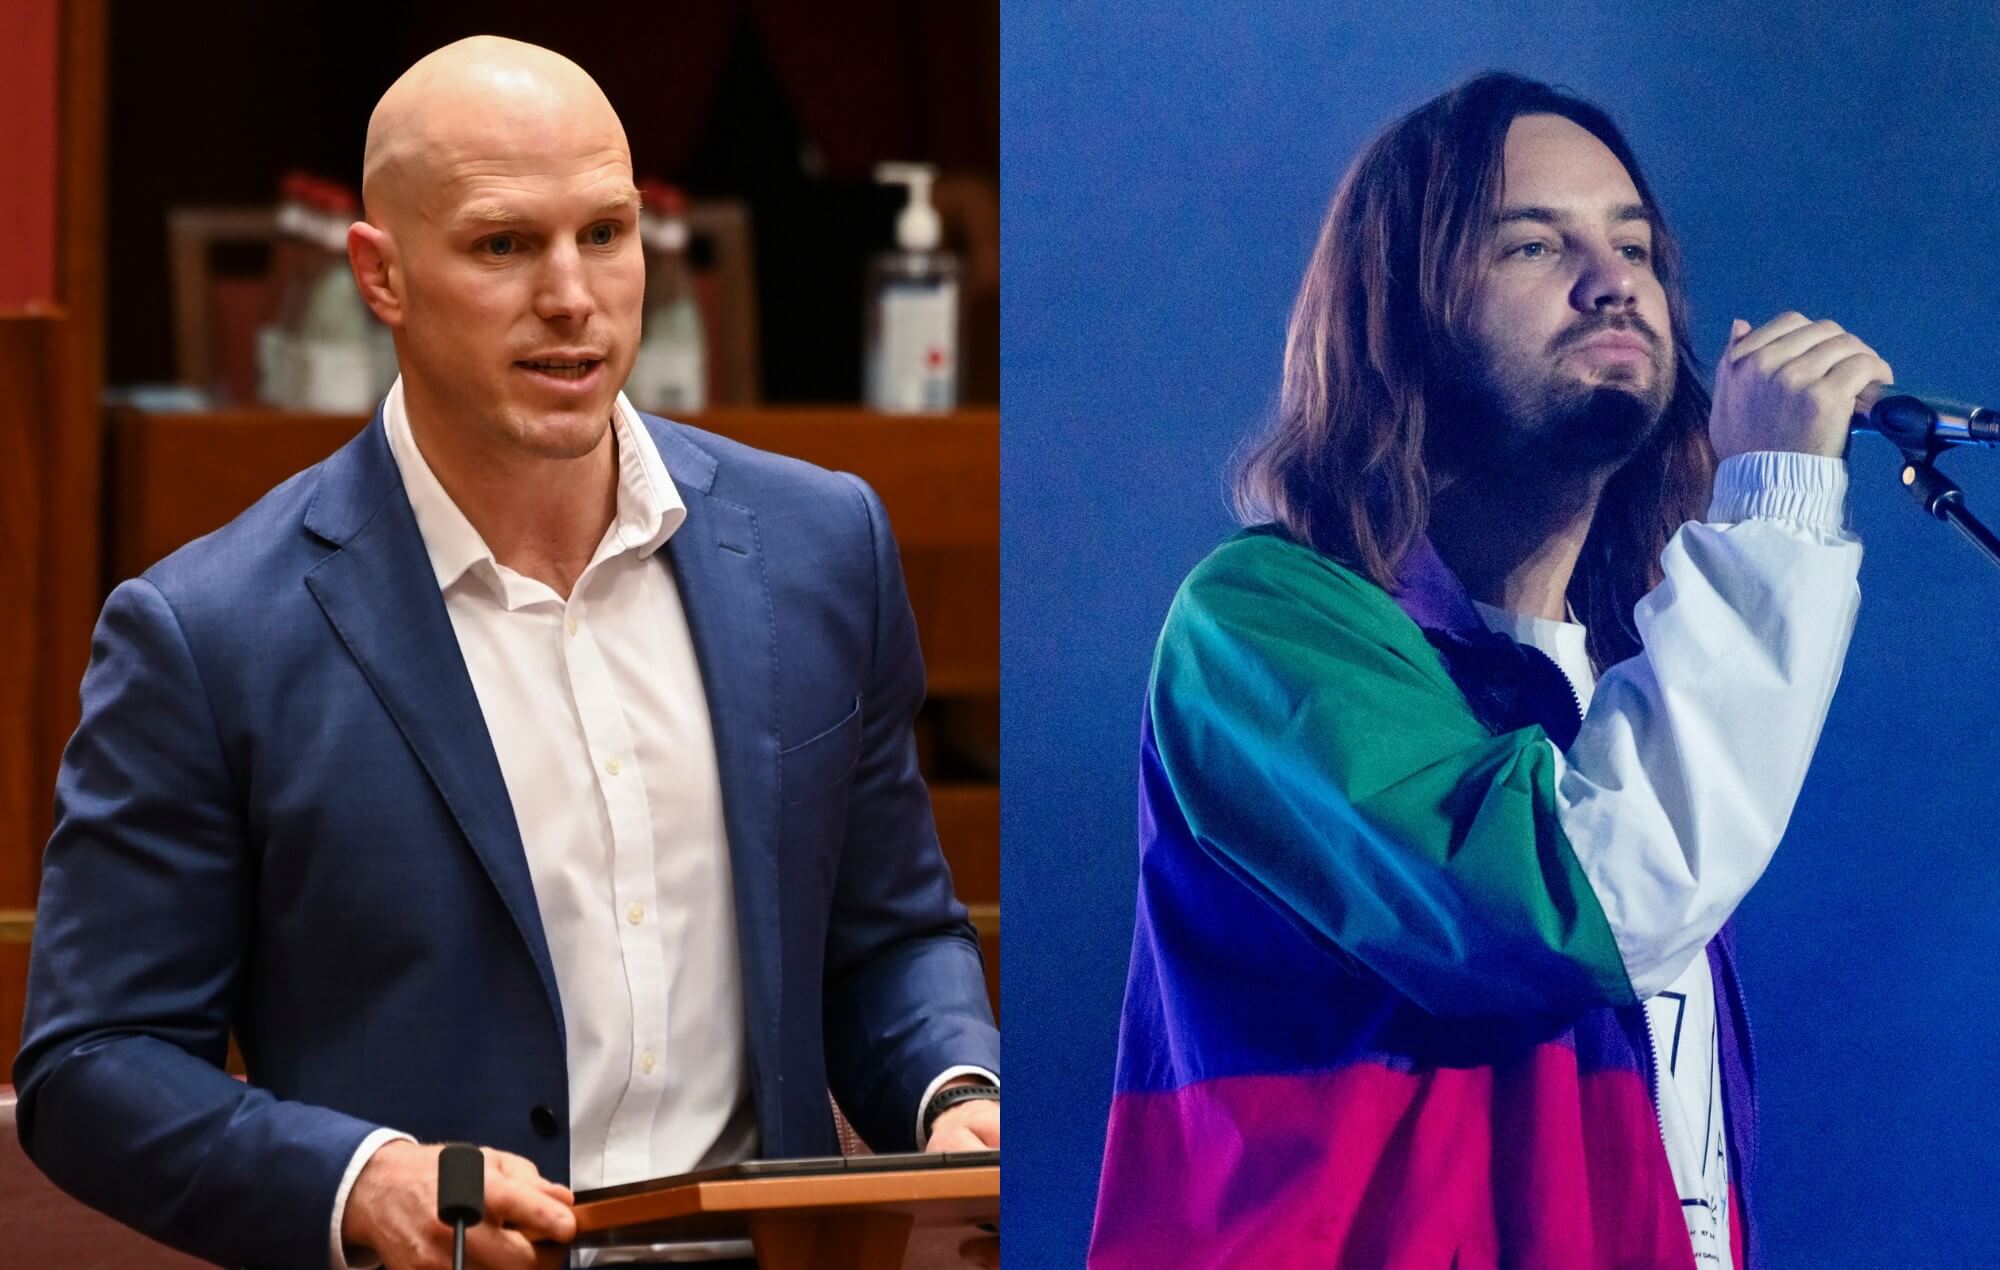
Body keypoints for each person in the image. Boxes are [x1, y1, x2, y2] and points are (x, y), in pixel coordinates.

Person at [15, 36, 998, 1270]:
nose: (572, 295)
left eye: (605, 232)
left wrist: (953, 1090)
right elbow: (93, 1063)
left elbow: (888, 932)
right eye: (502, 245)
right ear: (380, 275)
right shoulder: (207, 634)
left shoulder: (819, 547)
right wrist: (358, 1181)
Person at [1089, 72, 1886, 1269]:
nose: (1611, 278)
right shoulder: (1262, 621)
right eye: (1531, 243)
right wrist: (1774, 507)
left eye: (1632, 244)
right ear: (1400, 314)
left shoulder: (1622, 685)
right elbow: (1584, 904)